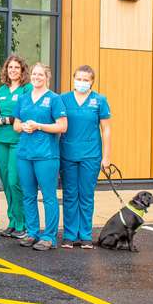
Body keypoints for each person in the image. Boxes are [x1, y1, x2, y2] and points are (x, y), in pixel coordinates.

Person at [13, 63, 67, 251]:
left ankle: (49, 236)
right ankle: (32, 232)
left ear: (47, 77)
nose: (36, 77)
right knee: (28, 195)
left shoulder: (54, 99)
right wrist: (24, 127)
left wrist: (39, 126)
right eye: (34, 74)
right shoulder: (23, 98)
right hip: (25, 154)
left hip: (46, 155)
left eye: (40, 74)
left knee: (49, 196)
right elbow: (16, 124)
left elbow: (62, 126)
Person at [59, 65, 112, 249]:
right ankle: (69, 234)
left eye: (86, 80)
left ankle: (86, 235)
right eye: (79, 79)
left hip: (91, 155)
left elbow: (106, 129)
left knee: (86, 195)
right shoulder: (63, 99)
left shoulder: (99, 100)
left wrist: (106, 157)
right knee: (70, 194)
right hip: (68, 154)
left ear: (92, 82)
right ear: (73, 79)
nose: (81, 82)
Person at [0, 55, 32, 239]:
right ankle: (13, 222)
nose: (13, 70)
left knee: (15, 181)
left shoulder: (27, 89)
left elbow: (26, 113)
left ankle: (23, 223)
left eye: (16, 67)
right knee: (6, 182)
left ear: (22, 71)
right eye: (10, 67)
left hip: (18, 140)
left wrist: (4, 120)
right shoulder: (1, 91)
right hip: (1, 140)